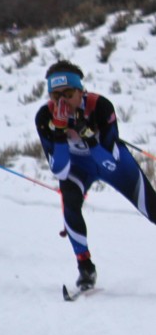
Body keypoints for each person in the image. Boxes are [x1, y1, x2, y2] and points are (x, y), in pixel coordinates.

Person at [34, 59, 156, 291]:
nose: (62, 102)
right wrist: (60, 134)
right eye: (55, 96)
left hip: (113, 162)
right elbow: (59, 169)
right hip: (77, 167)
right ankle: (85, 268)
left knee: (152, 208)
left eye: (68, 94)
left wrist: (87, 135)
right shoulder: (44, 117)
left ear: (81, 91)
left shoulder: (100, 107)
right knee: (69, 202)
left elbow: (110, 162)